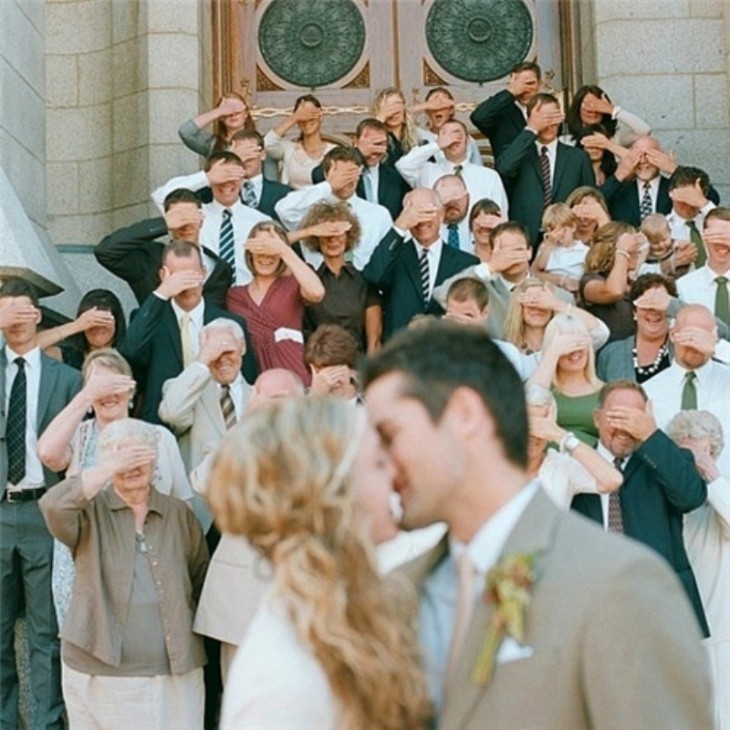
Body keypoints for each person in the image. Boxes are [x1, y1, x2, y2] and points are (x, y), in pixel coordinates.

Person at [362, 320, 712, 728]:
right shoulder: (397, 592)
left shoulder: (620, 583)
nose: (376, 459)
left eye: (390, 433)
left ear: (464, 415)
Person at [208, 397, 432, 729]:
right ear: (334, 498)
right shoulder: (278, 683)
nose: (397, 474)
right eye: (379, 463)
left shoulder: (364, 607)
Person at [39, 418, 208, 730]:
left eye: (138, 455)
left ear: (155, 457)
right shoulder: (90, 512)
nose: (130, 466)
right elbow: (52, 506)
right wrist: (109, 467)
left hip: (173, 674)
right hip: (99, 673)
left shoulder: (178, 513)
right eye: (121, 457)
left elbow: (197, 578)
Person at [36, 347, 193, 627]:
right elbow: (48, 454)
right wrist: (85, 396)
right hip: (86, 567)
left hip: (147, 562)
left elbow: (184, 508)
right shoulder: (79, 436)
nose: (107, 394)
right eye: (98, 386)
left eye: (115, 384)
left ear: (131, 390)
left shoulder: (160, 438)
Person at [0, 278, 83, 729]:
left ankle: (48, 722)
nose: (14, 320)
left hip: (44, 511)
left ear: (37, 315)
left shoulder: (67, 379)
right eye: (4, 312)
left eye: (21, 310)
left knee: (44, 633)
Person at [191, 368, 304, 684]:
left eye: (284, 399)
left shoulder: (318, 442)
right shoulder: (235, 441)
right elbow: (203, 481)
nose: (276, 407)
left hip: (302, 594)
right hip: (243, 597)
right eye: (268, 398)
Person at [571, 380, 709, 636]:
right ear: (597, 418)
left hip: (661, 611)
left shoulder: (665, 459)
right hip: (593, 611)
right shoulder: (572, 466)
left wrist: (651, 436)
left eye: (634, 417)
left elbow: (691, 497)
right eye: (617, 416)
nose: (626, 427)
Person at [118, 240, 257, 424]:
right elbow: (130, 352)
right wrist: (163, 292)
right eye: (177, 276)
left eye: (192, 275)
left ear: (204, 273)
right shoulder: (149, 319)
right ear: (163, 276)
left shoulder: (230, 323)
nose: (186, 284)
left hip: (215, 422)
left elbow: (246, 378)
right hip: (161, 421)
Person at [667, 410, 730, 730]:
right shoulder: (662, 496)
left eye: (702, 450)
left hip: (720, 630)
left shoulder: (722, 496)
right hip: (676, 624)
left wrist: (709, 470)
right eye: (684, 450)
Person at [362, 188, 478, 340]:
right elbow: (373, 276)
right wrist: (400, 225)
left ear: (442, 214)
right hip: (400, 350)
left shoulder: (466, 263)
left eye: (427, 212)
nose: (422, 220)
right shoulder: (394, 257)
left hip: (448, 351)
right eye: (415, 214)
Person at [95, 188, 233, 308]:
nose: (184, 224)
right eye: (178, 217)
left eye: (190, 216)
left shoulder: (220, 268)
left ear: (202, 220)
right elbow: (105, 251)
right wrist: (163, 224)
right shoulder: (149, 259)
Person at [151, 151, 272, 286]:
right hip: (205, 294)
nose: (226, 183)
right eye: (221, 176)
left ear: (242, 178)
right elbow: (161, 196)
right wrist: (206, 177)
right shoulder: (195, 215)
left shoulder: (260, 221)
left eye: (231, 176)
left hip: (245, 299)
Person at [225, 222, 324, 385]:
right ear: (250, 252)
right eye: (261, 249)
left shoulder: (292, 285)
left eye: (272, 250)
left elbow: (317, 293)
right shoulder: (234, 296)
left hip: (293, 375)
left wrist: (284, 249)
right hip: (252, 382)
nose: (266, 256)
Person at [496, 93, 594, 248]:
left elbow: (589, 197)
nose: (548, 124)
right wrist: (532, 129)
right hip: (525, 238)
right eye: (543, 118)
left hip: (567, 239)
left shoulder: (577, 157)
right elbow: (504, 168)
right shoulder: (518, 152)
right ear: (530, 120)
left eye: (553, 118)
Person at [643, 304, 730, 475]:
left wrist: (717, 348)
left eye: (702, 337)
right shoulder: (649, 391)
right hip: (669, 490)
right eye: (689, 336)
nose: (695, 345)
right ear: (673, 334)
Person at [275, 145, 394, 270]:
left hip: (366, 284)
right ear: (326, 174)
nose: (345, 180)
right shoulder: (309, 209)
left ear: (359, 173)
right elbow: (282, 209)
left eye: (350, 174)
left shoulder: (379, 214)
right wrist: (329, 186)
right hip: (319, 282)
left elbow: (389, 257)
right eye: (340, 175)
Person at [159, 318, 252, 474]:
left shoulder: (260, 394)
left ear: (242, 347)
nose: (222, 359)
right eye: (214, 352)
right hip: (202, 495)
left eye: (228, 351)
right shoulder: (185, 392)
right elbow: (171, 414)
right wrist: (203, 359)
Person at [300, 200, 382, 353]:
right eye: (327, 234)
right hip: (318, 364)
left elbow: (374, 342)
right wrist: (308, 231)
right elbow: (276, 244)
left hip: (358, 366)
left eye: (338, 233)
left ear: (349, 236)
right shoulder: (308, 280)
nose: (333, 240)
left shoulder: (364, 281)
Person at [525, 383, 622, 508]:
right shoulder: (493, 465)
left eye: (542, 425)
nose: (534, 434)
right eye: (527, 424)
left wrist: (560, 436)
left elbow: (613, 480)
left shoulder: (560, 466)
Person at [395, 120, 508, 216]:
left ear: (467, 140)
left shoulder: (489, 176)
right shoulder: (426, 171)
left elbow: (500, 214)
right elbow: (403, 165)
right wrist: (437, 145)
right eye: (445, 135)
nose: (451, 140)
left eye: (456, 134)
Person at [311, 118, 411, 220]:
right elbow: (317, 176)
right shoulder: (344, 168)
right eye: (370, 144)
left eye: (380, 144)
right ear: (356, 141)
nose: (374, 150)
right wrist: (359, 154)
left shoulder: (396, 177)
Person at [528, 313, 602, 445]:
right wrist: (554, 352)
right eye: (567, 345)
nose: (575, 351)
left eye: (579, 342)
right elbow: (528, 409)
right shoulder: (539, 384)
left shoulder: (606, 392)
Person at [596, 274, 676, 382]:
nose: (654, 311)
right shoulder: (611, 353)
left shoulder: (683, 348)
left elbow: (701, 320)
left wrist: (674, 306)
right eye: (646, 304)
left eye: (660, 304)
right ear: (634, 310)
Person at [502, 278, 609, 354]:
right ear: (519, 307)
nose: (537, 308)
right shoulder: (507, 349)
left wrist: (556, 304)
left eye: (542, 301)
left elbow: (600, 333)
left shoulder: (565, 342)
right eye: (530, 302)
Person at [579, 221, 644, 342]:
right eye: (632, 247)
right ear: (612, 249)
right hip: (608, 355)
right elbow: (614, 291)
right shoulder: (590, 280)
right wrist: (622, 252)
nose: (637, 251)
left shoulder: (636, 284)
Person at [36, 288, 126, 369]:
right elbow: (27, 349)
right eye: (91, 321)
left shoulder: (129, 356)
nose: (98, 326)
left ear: (117, 322)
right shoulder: (70, 358)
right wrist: (76, 326)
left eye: (104, 320)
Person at [470, 61, 542, 161]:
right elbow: (478, 117)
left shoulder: (548, 110)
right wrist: (510, 92)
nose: (525, 89)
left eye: (530, 83)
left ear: (540, 84)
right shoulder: (502, 113)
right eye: (520, 84)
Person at [263, 94, 336, 189]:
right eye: (302, 116)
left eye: (310, 114)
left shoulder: (333, 151)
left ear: (321, 116)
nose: (306, 120)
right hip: (294, 201)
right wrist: (294, 118)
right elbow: (267, 143)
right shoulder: (289, 149)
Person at [677, 207, 730, 325]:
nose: (722, 243)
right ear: (704, 238)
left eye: (726, 236)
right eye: (715, 235)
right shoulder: (684, 287)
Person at [563, 84, 651, 148]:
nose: (593, 110)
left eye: (597, 105)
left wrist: (612, 110)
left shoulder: (617, 137)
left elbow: (644, 130)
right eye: (587, 105)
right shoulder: (566, 141)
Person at [412, 87, 483, 166]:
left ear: (451, 110)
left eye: (443, 106)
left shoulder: (465, 138)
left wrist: (452, 103)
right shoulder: (419, 136)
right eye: (433, 106)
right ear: (427, 111)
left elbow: (478, 169)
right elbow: (400, 116)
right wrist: (425, 105)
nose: (437, 109)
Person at [530, 202, 589, 294]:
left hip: (573, 290)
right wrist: (549, 244)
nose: (559, 236)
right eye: (554, 231)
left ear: (573, 227)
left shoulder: (583, 251)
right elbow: (540, 266)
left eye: (564, 230)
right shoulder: (547, 247)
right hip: (550, 288)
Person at [666, 165, 716, 267]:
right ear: (671, 193)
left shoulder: (713, 223)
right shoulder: (659, 227)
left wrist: (703, 203)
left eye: (692, 198)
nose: (688, 204)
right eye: (683, 198)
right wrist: (670, 264)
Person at [179, 91, 256, 156]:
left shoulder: (259, 142)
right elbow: (185, 132)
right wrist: (219, 111)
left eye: (237, 110)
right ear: (221, 117)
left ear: (246, 114)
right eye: (228, 110)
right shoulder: (212, 144)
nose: (232, 114)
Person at [304, 325, 361, 401]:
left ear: (351, 371)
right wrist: (315, 398)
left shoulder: (370, 402)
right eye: (322, 374)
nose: (329, 382)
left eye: (334, 373)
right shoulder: (301, 403)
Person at [372, 87, 422, 166]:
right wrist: (381, 117)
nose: (393, 110)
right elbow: (366, 144)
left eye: (397, 104)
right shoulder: (377, 136)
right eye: (388, 106)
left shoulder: (418, 136)